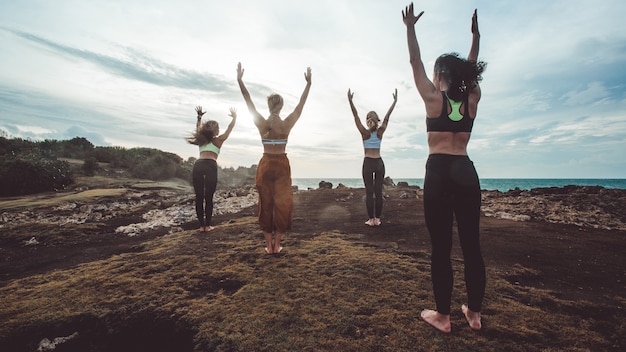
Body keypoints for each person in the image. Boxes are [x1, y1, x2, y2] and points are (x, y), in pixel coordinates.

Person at [402, 3, 487, 333]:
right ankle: (475, 315)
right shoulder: (472, 98)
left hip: (438, 171)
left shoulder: (433, 98)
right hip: (466, 170)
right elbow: (470, 72)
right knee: (471, 245)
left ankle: (443, 317)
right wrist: (476, 39)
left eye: (436, 73)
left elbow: (414, 61)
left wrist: (410, 28)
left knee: (441, 248)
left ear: (439, 76)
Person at [236, 62, 312, 254]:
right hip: (282, 165)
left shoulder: (261, 123)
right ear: (281, 105)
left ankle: (268, 246)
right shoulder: (286, 124)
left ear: (269, 105)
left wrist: (240, 80)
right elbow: (301, 106)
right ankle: (277, 245)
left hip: (266, 164)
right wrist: (308, 84)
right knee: (282, 203)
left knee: (265, 203)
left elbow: (248, 101)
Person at [347, 88, 397, 227]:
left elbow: (355, 116)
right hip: (379, 163)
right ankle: (378, 219)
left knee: (369, 192)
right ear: (377, 120)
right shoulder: (380, 132)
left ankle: (371, 220)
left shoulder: (364, 133)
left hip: (368, 162)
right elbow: (387, 117)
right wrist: (394, 102)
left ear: (367, 120)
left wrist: (350, 101)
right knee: (378, 192)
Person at [186, 106, 237, 232]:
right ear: (215, 131)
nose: (219, 130)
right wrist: (234, 118)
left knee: (199, 196)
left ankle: (201, 226)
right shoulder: (219, 140)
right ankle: (207, 226)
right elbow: (229, 130)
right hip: (210, 165)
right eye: (218, 128)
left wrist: (199, 117)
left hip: (198, 165)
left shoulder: (202, 140)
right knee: (208, 197)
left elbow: (198, 129)